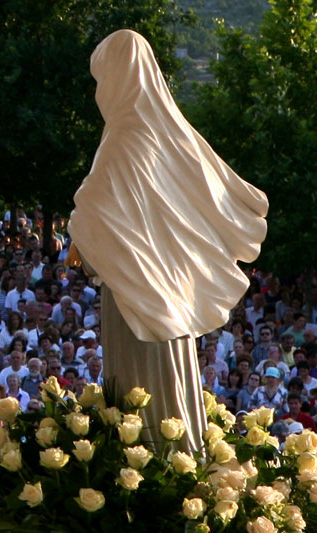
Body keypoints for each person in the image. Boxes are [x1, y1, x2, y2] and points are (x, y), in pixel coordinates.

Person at [66, 29, 268, 453]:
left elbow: (95, 206)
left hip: (136, 292)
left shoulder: (125, 138)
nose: (100, 91)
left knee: (144, 388)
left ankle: (152, 460)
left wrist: (79, 231)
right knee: (167, 378)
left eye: (102, 79)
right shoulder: (164, 133)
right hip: (162, 285)